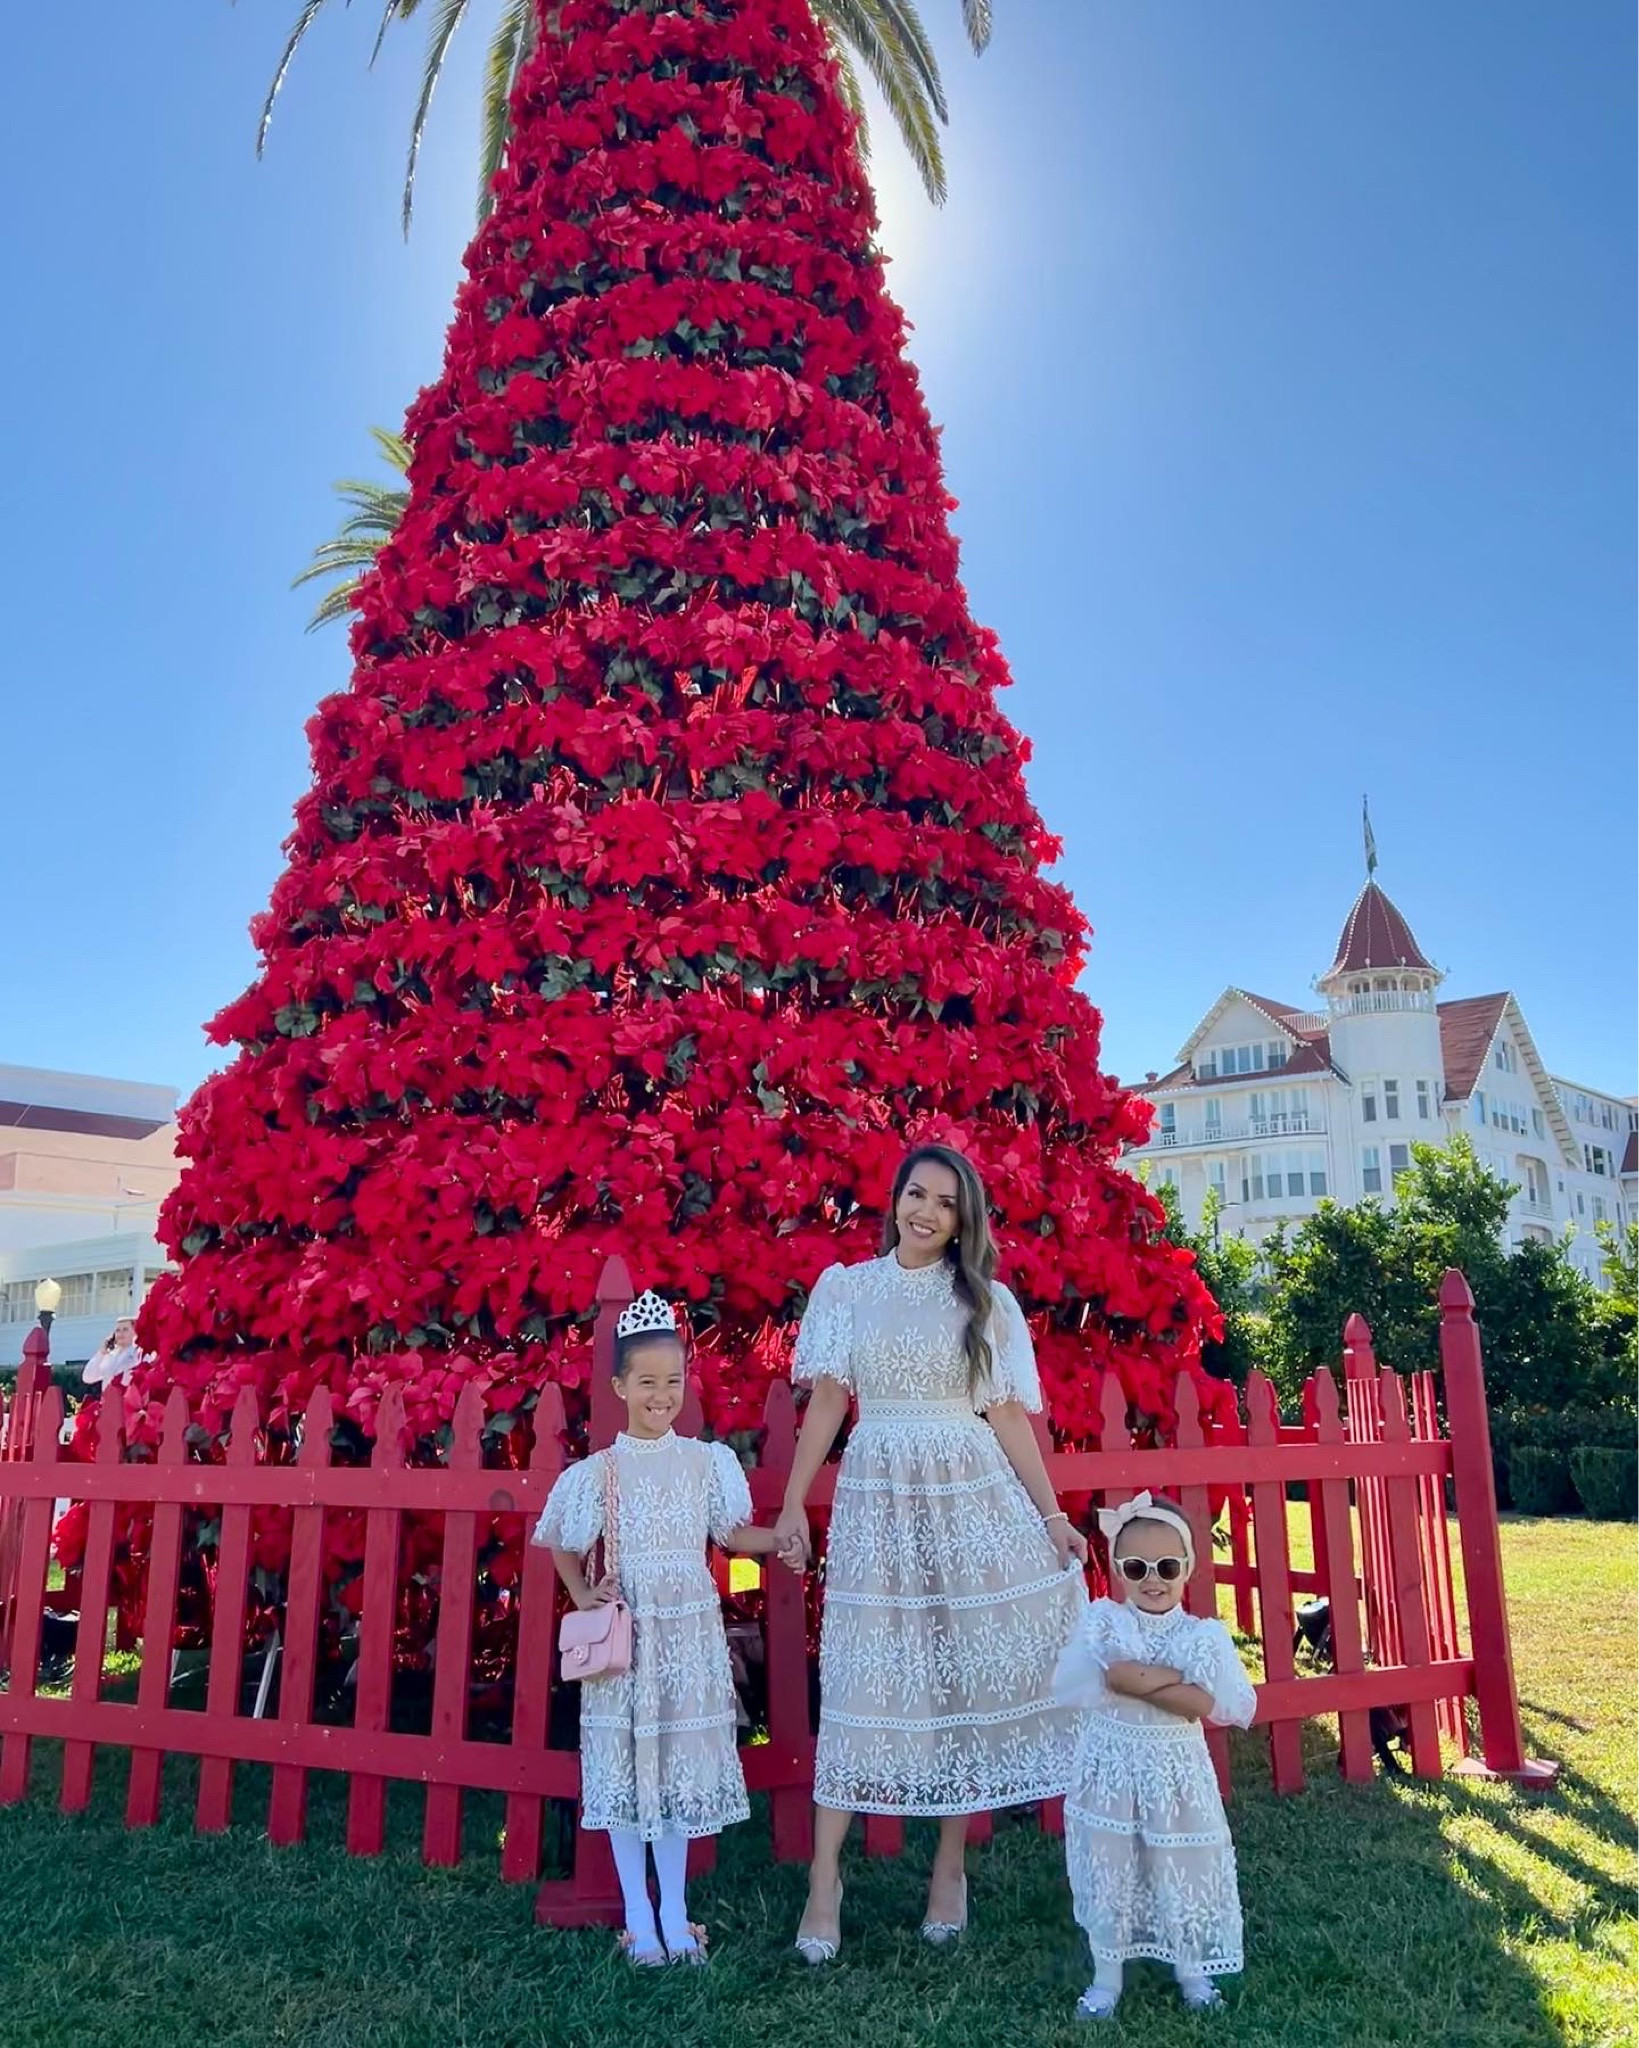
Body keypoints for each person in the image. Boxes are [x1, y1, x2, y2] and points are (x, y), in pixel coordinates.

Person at [772, 1142, 1090, 1962]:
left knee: (959, 1677)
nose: (924, 1212)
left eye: (944, 1203)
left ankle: (949, 1867)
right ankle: (823, 1883)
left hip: (966, 1487)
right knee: (856, 1676)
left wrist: (1050, 1515)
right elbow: (830, 1405)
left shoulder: (985, 1303)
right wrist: (792, 1505)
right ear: (896, 1199)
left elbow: (1008, 1416)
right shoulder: (847, 1290)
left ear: (962, 1220)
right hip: (878, 1491)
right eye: (916, 1193)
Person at [532, 1289, 782, 1966]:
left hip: (686, 1637)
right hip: (629, 1636)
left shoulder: (705, 1463)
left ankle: (674, 1910)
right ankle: (638, 1917)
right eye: (646, 1383)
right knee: (626, 1767)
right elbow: (560, 1539)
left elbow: (730, 1535)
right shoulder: (601, 1473)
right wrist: (585, 1591)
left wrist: (776, 1538)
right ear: (619, 1387)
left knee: (673, 1770)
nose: (661, 1396)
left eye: (672, 1382)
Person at [1052, 1490, 1257, 2022]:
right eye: (1137, 1566)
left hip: (1174, 1772)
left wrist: (1140, 1678)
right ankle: (1106, 1976)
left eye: (1166, 1566)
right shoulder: (1104, 1622)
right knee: (1112, 1861)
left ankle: (1193, 1969)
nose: (1153, 1578)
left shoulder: (1202, 1635)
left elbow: (1205, 1704)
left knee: (1178, 1859)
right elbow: (1109, 1676)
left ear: (1187, 1566)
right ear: (1119, 1569)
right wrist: (1169, 1678)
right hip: (1114, 1765)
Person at [81, 1317, 143, 1398]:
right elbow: (87, 1377)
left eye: (125, 1329)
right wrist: (101, 1353)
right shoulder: (109, 1356)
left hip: (129, 1404)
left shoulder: (139, 1354)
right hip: (109, 1404)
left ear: (134, 1332)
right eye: (118, 1330)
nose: (121, 1333)